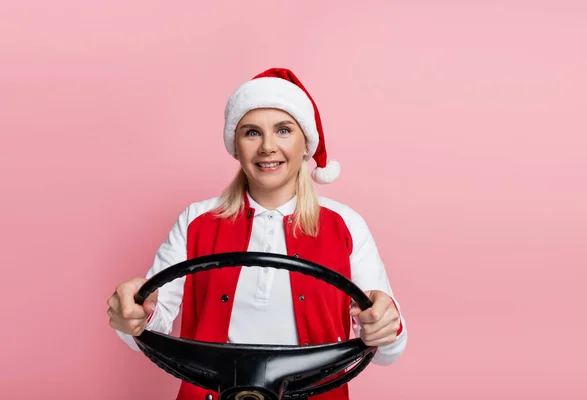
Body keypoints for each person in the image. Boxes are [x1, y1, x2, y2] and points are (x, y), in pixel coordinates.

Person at [107, 67, 408, 400]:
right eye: (252, 133)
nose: (267, 147)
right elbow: (149, 324)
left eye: (283, 130)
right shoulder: (196, 220)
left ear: (306, 143)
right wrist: (133, 311)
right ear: (235, 146)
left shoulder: (346, 225)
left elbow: (388, 351)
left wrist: (384, 326)